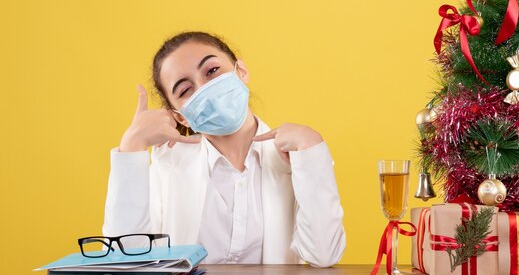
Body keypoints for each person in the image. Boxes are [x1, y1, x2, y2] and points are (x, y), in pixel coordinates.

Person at [103, 31, 346, 267]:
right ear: (181, 117)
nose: (204, 89)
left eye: (212, 71)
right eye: (185, 90)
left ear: (241, 72)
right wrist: (132, 146)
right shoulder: (167, 165)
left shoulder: (295, 159)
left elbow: (323, 255)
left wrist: (312, 150)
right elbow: (124, 260)